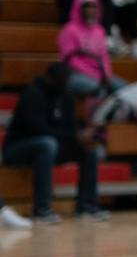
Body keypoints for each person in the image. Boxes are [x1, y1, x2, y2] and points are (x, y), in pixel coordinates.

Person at [1, 63, 108, 223]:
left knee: (87, 148)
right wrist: (73, 135)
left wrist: (82, 135)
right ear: (49, 79)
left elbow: (71, 127)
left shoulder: (66, 96)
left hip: (51, 146)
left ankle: (86, 206)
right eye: (60, 81)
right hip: (18, 148)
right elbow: (37, 129)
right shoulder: (32, 94)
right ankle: (42, 209)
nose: (63, 84)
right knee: (47, 144)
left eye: (65, 81)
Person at [57, 0, 126, 100]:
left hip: (98, 74)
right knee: (99, 90)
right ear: (79, 8)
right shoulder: (69, 30)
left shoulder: (99, 30)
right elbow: (70, 60)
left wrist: (106, 74)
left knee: (124, 88)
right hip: (74, 74)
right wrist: (95, 75)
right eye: (87, 6)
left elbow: (104, 56)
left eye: (94, 6)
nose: (91, 10)